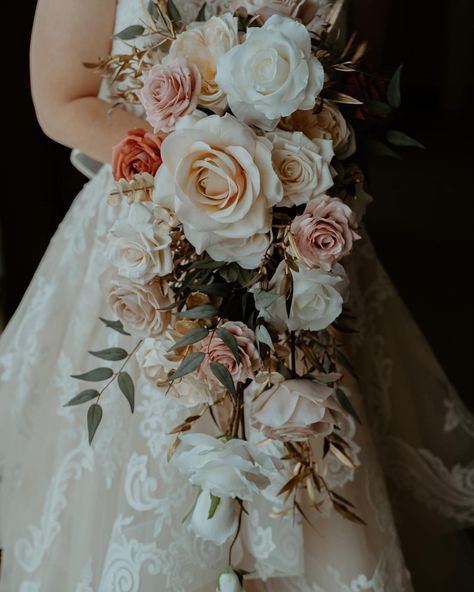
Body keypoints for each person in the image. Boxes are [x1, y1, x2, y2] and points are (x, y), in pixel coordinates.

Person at [0, 1, 472, 590]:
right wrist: (208, 162)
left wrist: (287, 176)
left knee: (312, 448)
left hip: (298, 246)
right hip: (149, 241)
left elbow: (355, 88)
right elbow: (60, 99)